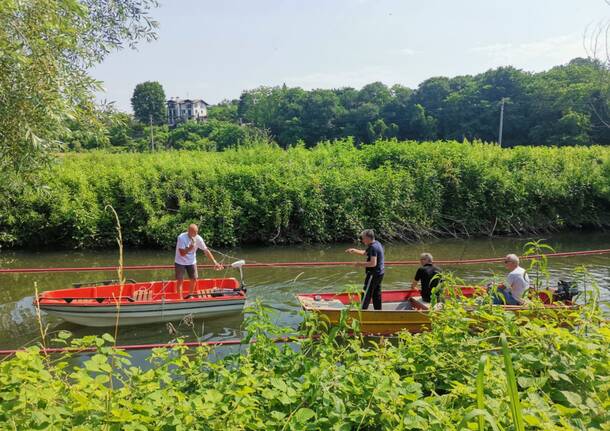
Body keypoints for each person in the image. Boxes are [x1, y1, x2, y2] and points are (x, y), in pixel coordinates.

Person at [175, 224, 223, 298]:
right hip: (180, 261)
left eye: (196, 232)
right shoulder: (181, 237)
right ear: (188, 231)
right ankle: (179, 299)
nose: (195, 234)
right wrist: (191, 247)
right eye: (193, 232)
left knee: (194, 279)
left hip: (192, 261)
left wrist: (215, 262)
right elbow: (182, 254)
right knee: (180, 280)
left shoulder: (198, 238)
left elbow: (206, 251)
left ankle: (190, 295)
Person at [346, 229, 385, 310]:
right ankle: (378, 311)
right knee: (376, 293)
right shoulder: (376, 243)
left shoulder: (374, 247)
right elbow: (365, 253)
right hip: (380, 273)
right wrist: (354, 250)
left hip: (373, 274)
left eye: (363, 238)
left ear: (368, 238)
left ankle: (363, 312)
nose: (362, 240)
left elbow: (373, 263)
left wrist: (359, 264)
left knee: (366, 293)